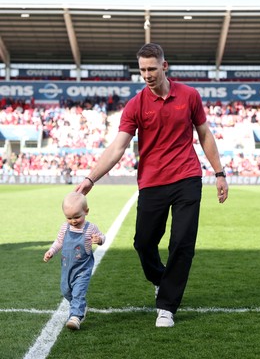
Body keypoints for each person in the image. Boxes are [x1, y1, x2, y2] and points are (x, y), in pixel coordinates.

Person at [75, 43, 228, 327]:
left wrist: (219, 173)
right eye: (142, 70)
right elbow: (118, 147)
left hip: (187, 177)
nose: (147, 74)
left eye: (152, 69)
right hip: (152, 181)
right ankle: (161, 280)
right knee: (143, 243)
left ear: (164, 66)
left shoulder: (189, 96)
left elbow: (205, 134)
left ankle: (167, 307)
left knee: (182, 243)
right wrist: (90, 178)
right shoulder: (135, 105)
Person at [43, 191, 105, 330]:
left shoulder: (90, 228)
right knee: (66, 291)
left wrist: (99, 239)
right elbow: (59, 242)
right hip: (67, 267)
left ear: (86, 211)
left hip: (83, 269)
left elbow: (102, 236)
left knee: (78, 291)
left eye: (77, 217)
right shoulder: (65, 227)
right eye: (69, 218)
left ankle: (76, 316)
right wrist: (51, 251)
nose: (73, 221)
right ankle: (80, 305)